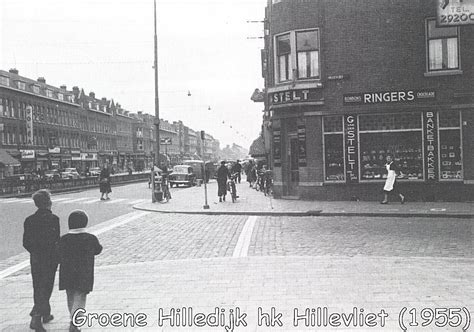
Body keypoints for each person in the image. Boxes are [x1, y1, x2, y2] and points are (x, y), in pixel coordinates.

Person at [58, 210, 102, 332]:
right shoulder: (90, 238)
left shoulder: (64, 239)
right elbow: (98, 250)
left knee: (70, 295)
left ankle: (72, 317)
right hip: (84, 273)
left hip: (67, 272)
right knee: (80, 296)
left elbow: (58, 253)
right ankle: (75, 321)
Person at [23, 189, 60, 332]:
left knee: (38, 286)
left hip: (36, 258)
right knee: (47, 286)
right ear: (49, 203)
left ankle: (45, 313)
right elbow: (56, 240)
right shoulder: (53, 219)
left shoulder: (29, 220)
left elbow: (26, 242)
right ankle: (36, 316)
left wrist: (35, 252)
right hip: (50, 258)